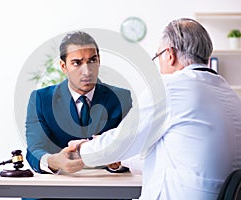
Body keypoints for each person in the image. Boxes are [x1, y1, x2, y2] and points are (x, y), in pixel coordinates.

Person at [67, 18, 241, 200]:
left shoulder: (171, 88)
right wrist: (120, 159)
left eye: (157, 57)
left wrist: (82, 149)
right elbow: (175, 157)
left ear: (169, 54)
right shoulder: (229, 93)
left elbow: (122, 140)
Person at [25, 31, 132, 175]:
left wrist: (116, 161)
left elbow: (131, 148)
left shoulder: (122, 97)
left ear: (99, 60)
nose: (87, 71)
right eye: (77, 63)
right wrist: (54, 161)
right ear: (63, 66)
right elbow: (34, 149)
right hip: (57, 187)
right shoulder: (41, 99)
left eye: (92, 60)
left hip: (105, 187)